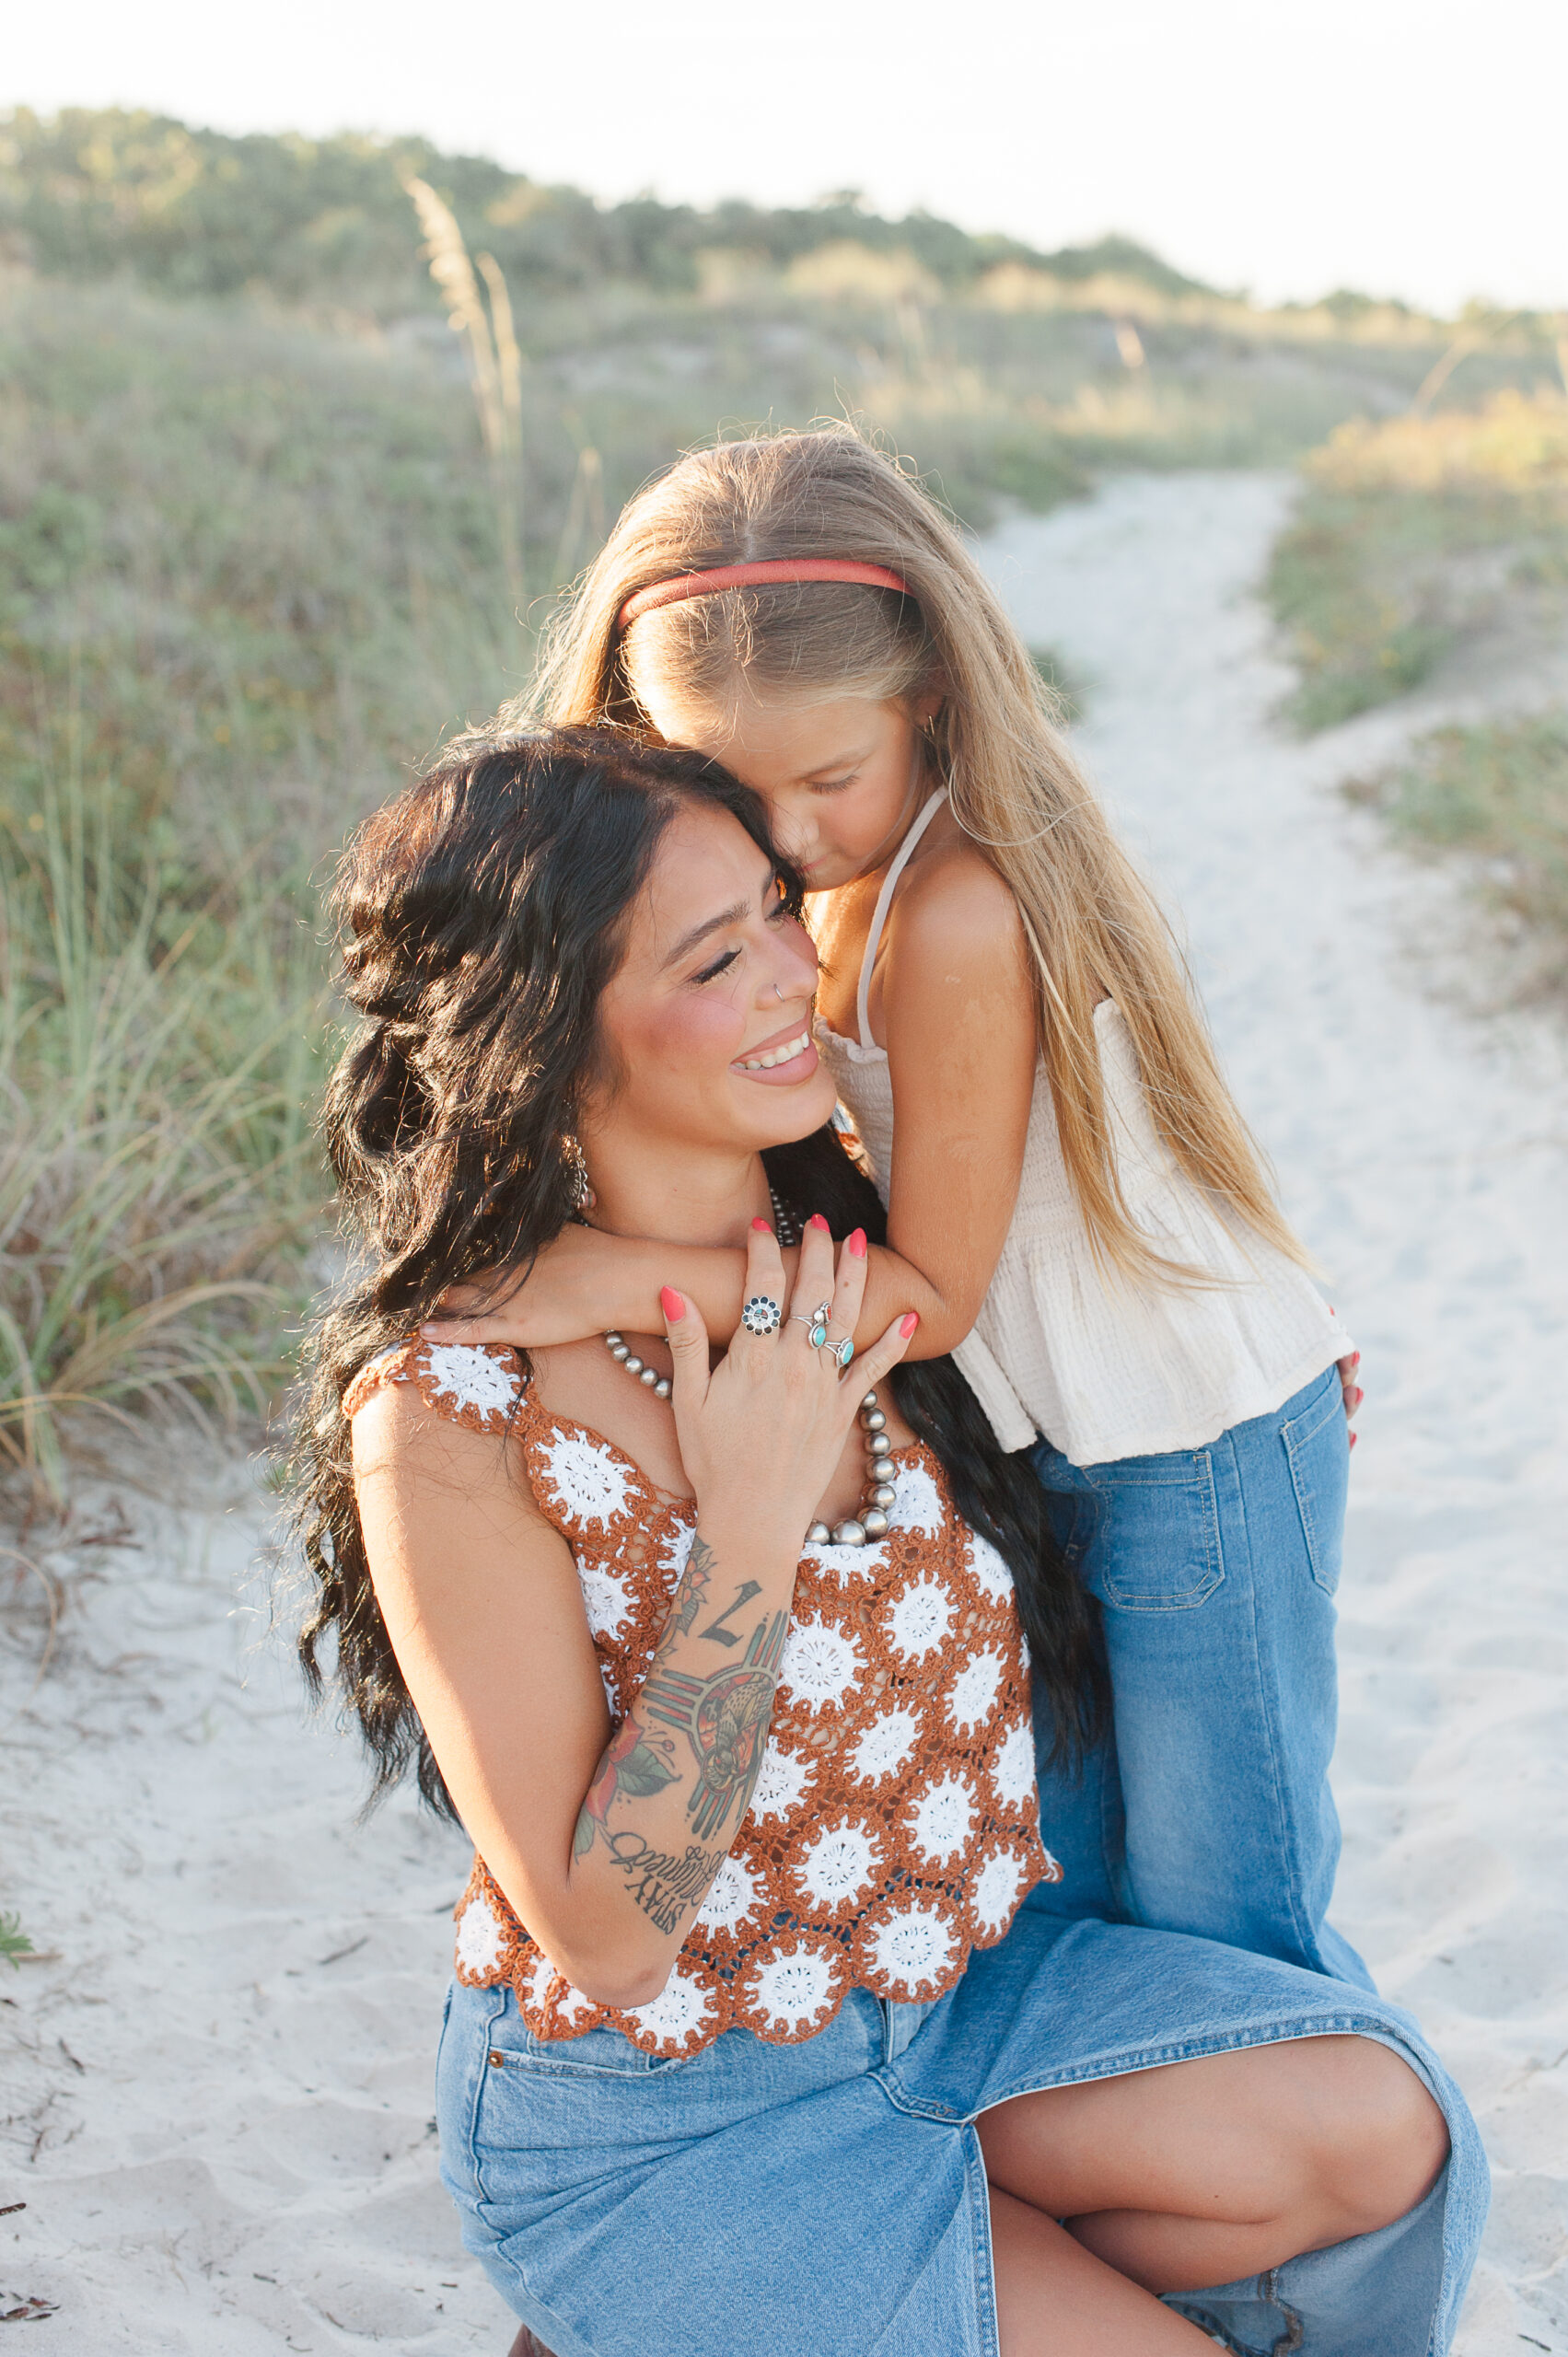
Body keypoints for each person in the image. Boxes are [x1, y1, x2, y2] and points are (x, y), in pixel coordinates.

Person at [289, 726, 1484, 2357]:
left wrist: (1245, 1396)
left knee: (1377, 2125)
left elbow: (1111, 1303)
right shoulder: (458, 1409)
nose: (796, 977)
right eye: (720, 957)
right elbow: (608, 1936)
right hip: (672, 2123)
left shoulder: (865, 1265)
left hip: (941, 2019)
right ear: (550, 1031)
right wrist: (752, 1531)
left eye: (781, 909)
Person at [436, 428, 1370, 1988]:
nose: (788, 835)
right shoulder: (816, 893)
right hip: (1047, 1437)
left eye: (829, 777)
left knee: (1225, 1909)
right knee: (1060, 1890)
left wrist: (613, 1278)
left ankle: (1305, 2184)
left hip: (1192, 1444)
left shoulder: (955, 905)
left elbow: (929, 1285)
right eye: (727, 782)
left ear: (930, 696)